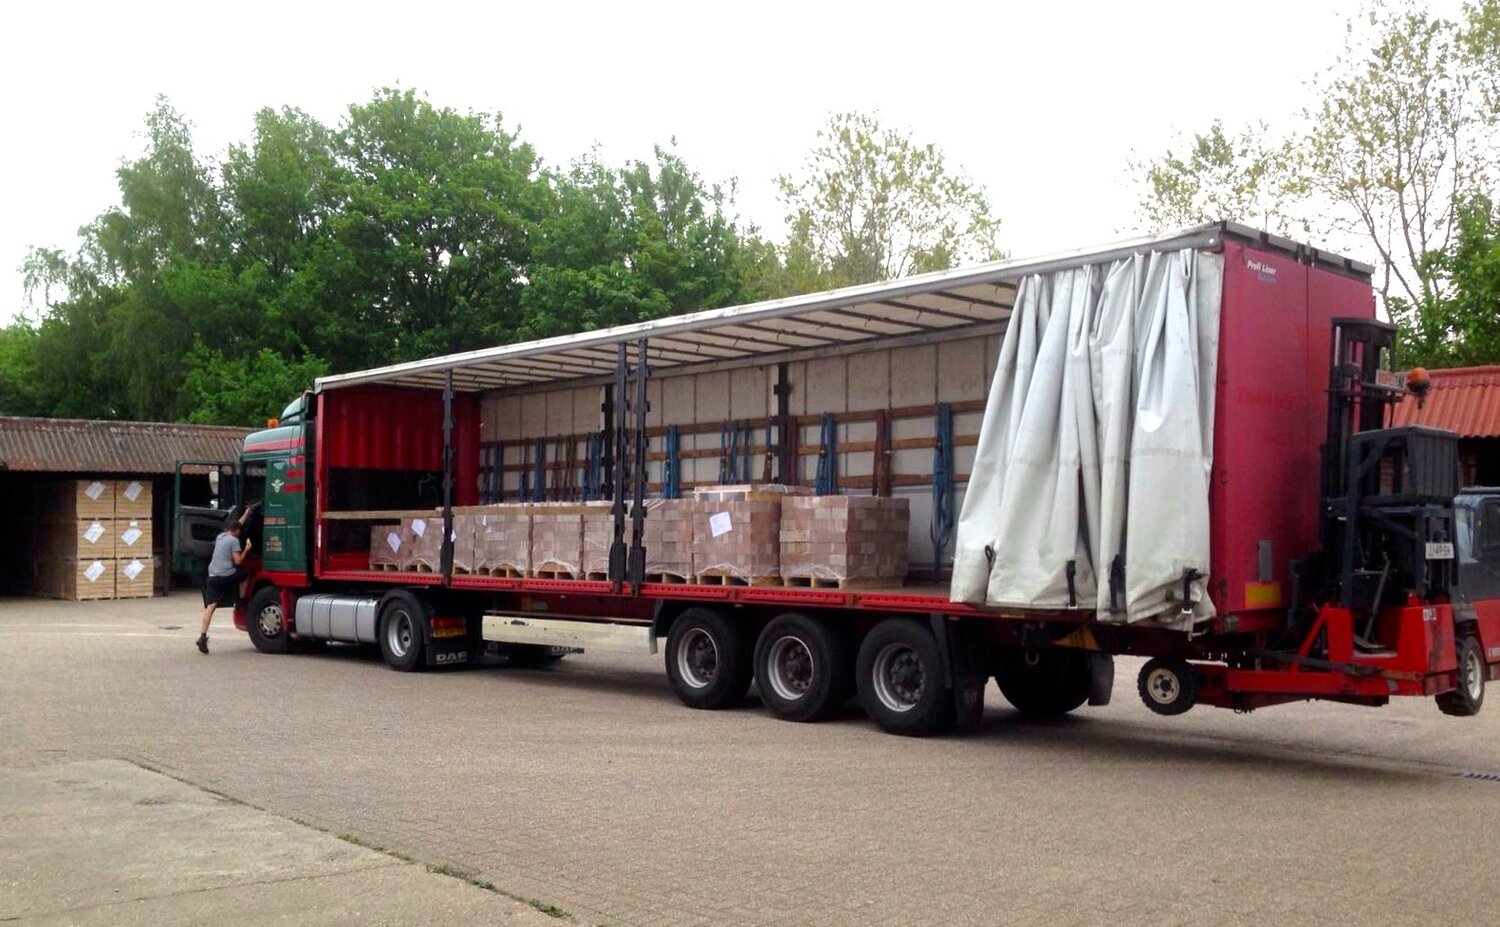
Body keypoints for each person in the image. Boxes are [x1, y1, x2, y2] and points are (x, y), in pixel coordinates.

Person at [197, 505, 254, 654]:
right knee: (245, 574)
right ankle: (241, 600)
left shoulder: (221, 536)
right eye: (239, 532)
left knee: (210, 607)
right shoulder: (234, 541)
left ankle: (202, 636)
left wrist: (247, 513)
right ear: (237, 532)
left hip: (213, 576)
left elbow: (237, 524)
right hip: (225, 576)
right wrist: (247, 549)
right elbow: (238, 561)